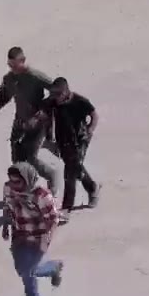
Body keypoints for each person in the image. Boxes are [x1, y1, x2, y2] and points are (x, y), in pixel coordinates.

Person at [0, 46, 62, 196]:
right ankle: (23, 190)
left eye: (15, 65)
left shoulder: (35, 76)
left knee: (30, 157)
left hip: (37, 124)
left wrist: (40, 113)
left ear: (23, 61)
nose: (12, 69)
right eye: (9, 65)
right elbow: (3, 97)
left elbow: (57, 92)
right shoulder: (9, 79)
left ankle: (51, 175)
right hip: (19, 122)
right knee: (16, 159)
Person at [1, 162, 64, 296]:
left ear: (27, 179)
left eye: (17, 181)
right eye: (11, 180)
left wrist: (47, 239)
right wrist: (5, 226)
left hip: (38, 237)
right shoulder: (8, 188)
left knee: (27, 273)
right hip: (19, 234)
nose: (14, 185)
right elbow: (7, 207)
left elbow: (53, 218)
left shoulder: (41, 195)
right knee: (22, 270)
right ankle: (53, 268)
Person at [47, 77, 101, 218]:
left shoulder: (80, 101)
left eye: (58, 94)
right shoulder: (53, 102)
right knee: (76, 168)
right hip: (63, 141)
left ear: (66, 92)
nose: (55, 97)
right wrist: (50, 140)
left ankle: (67, 208)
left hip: (80, 140)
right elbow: (48, 119)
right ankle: (92, 187)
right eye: (53, 93)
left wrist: (90, 130)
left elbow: (94, 115)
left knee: (70, 172)